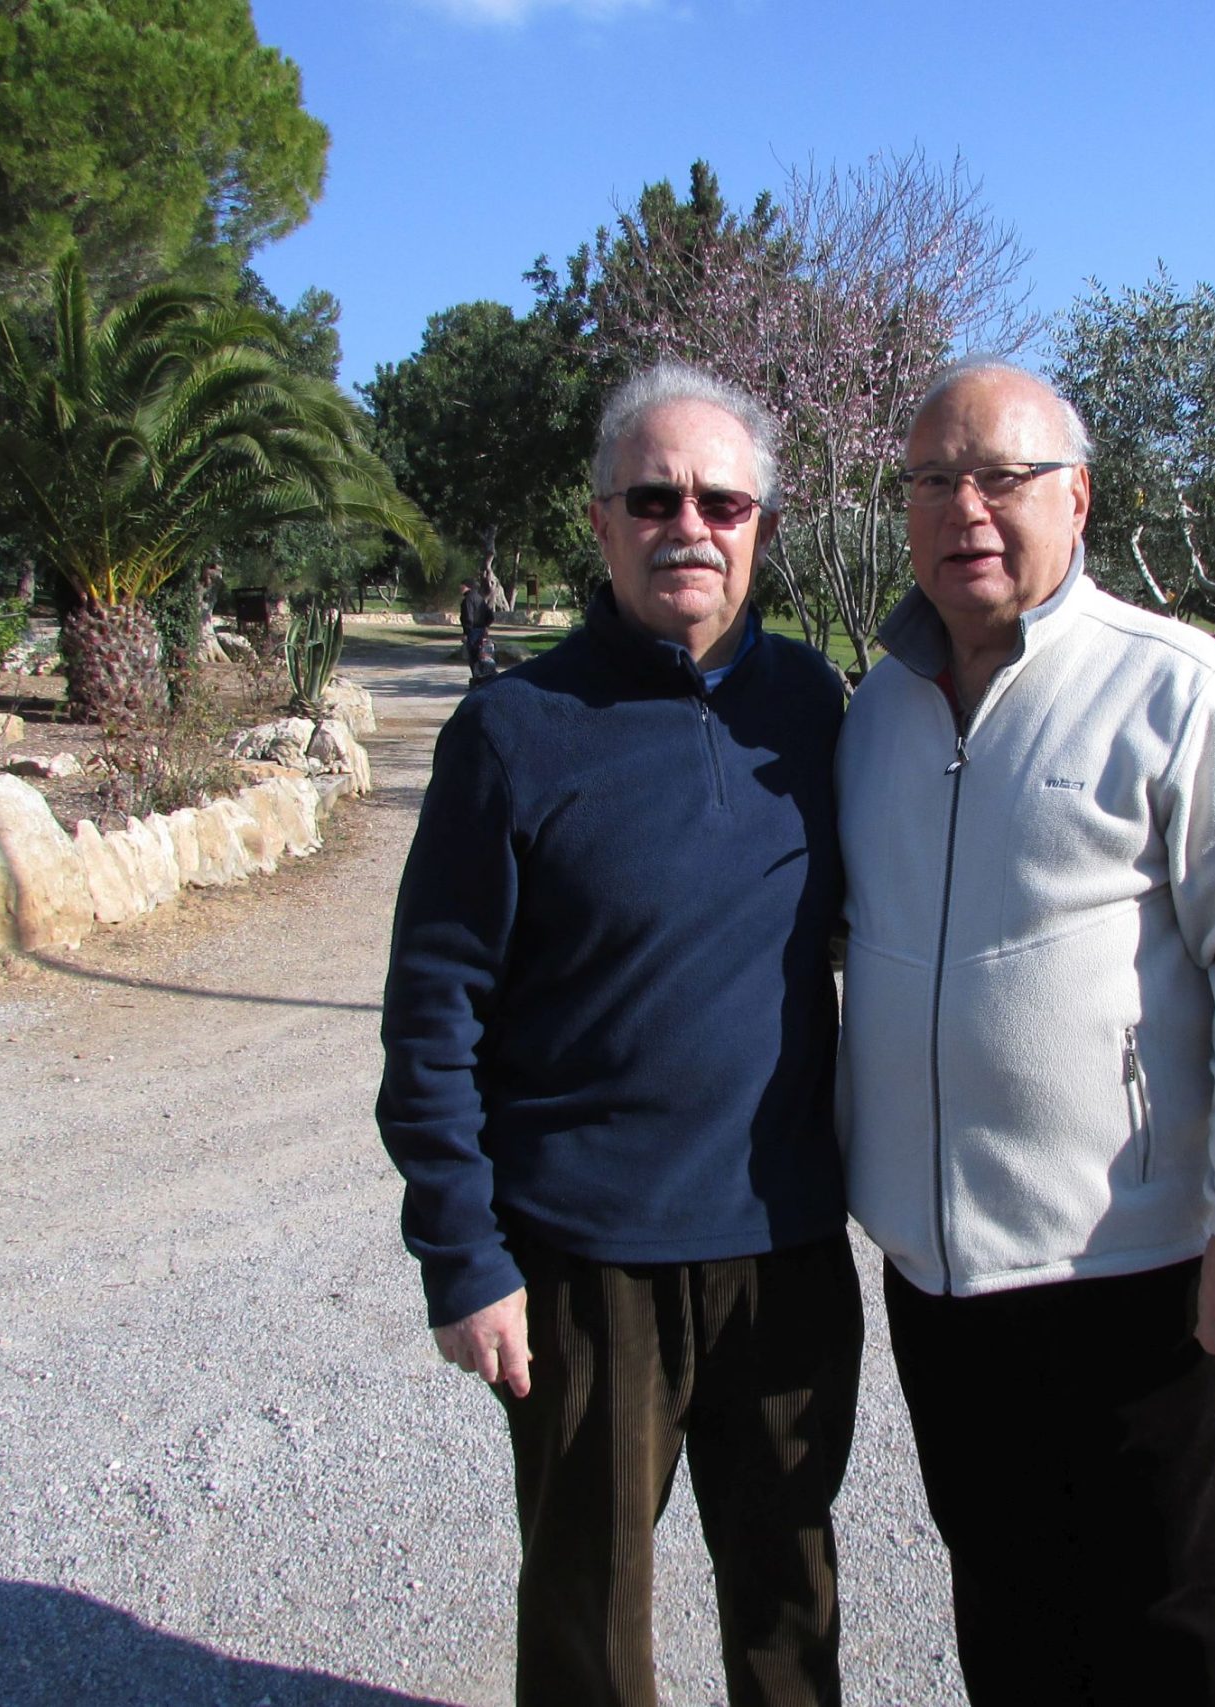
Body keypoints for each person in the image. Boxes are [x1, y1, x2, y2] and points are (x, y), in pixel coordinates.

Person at [834, 360, 1215, 1706]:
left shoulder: (1176, 688)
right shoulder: (877, 711)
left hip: (1134, 1270)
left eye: (1001, 476)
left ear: (1076, 497)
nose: (965, 508)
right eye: (933, 479)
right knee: (1004, 1597)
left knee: (1162, 1615)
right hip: (941, 1278)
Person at [376, 362, 861, 1707]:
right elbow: (432, 1012)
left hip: (786, 1251)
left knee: (790, 1595)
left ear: (763, 526)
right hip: (584, 1265)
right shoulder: (510, 732)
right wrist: (462, 1256)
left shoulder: (817, 713)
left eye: (720, 501)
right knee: (587, 1616)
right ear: (600, 522)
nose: (686, 526)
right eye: (652, 498)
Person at [457, 573, 496, 677]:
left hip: (472, 631)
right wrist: (485, 626)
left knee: (473, 656)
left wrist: (466, 633)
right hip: (481, 630)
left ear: (468, 587)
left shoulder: (468, 599)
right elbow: (491, 616)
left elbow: (468, 617)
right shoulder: (479, 598)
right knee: (482, 655)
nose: (460, 588)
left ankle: (476, 678)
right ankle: (483, 676)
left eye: (462, 586)